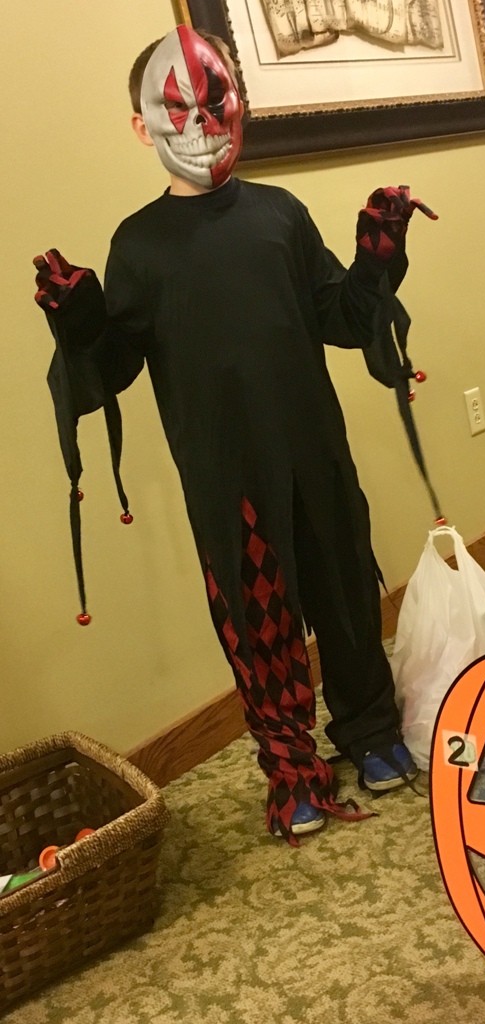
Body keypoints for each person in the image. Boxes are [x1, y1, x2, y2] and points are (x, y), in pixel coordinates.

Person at [33, 25, 436, 844]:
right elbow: (109, 368)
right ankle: (292, 767)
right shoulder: (139, 245)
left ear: (240, 103)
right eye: (178, 108)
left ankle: (371, 729)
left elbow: (342, 318)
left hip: (314, 452)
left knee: (345, 592)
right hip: (227, 478)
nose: (203, 121)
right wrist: (79, 323)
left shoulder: (281, 215)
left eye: (217, 100)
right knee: (259, 623)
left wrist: (375, 261)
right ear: (143, 126)